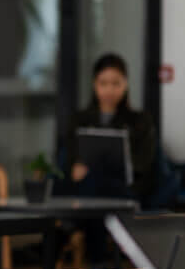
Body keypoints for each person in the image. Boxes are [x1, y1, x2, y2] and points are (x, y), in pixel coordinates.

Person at [65, 53, 157, 200]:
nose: (109, 90)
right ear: (94, 84)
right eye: (103, 83)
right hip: (88, 185)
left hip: (124, 188)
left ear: (125, 85)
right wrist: (75, 169)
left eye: (116, 83)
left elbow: (144, 164)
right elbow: (71, 158)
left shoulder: (140, 121)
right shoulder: (79, 120)